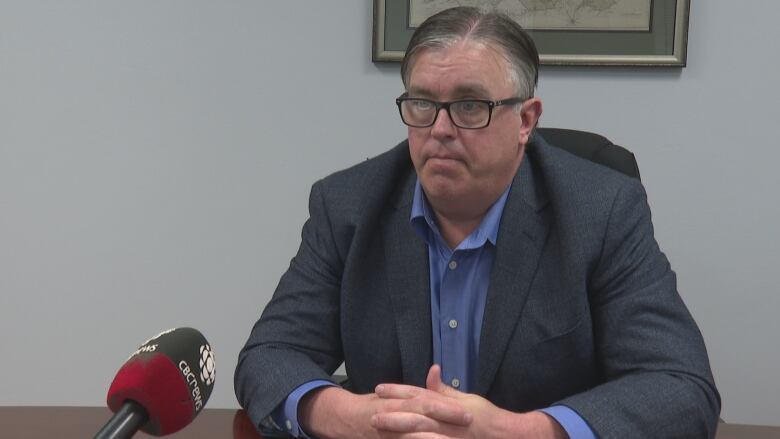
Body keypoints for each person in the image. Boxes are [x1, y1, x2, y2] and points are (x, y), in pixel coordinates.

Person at [235, 6, 720, 439]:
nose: (440, 130)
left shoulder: (601, 211)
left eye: (470, 106)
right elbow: (269, 356)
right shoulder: (349, 205)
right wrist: (358, 419)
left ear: (526, 121)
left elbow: (680, 388)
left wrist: (519, 431)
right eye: (423, 103)